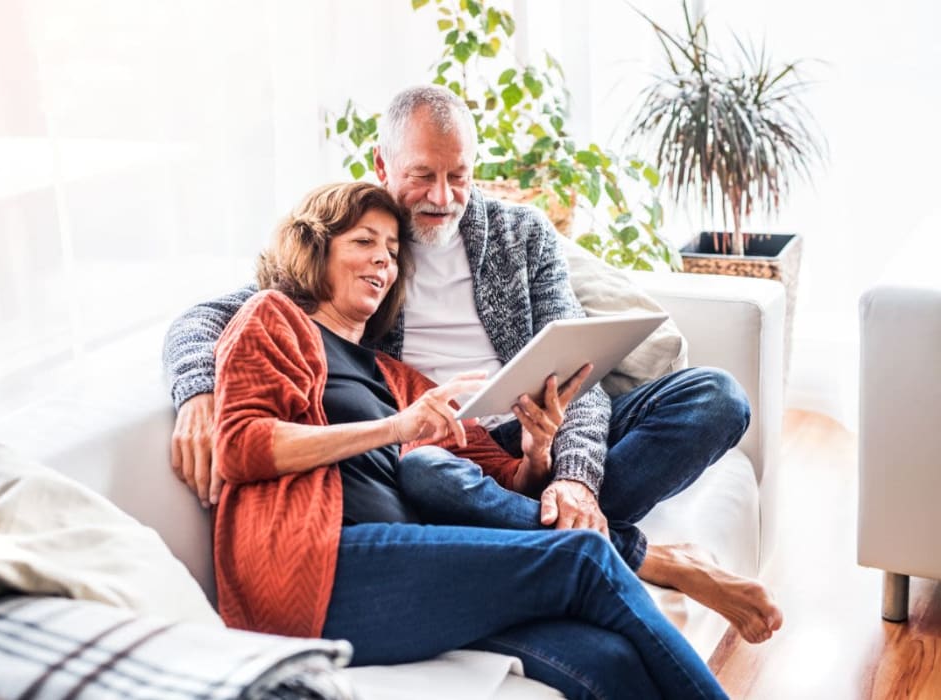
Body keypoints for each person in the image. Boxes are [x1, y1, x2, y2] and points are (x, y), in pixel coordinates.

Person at [163, 84, 782, 645]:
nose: (442, 196)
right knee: (430, 475)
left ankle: (556, 528)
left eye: (458, 175)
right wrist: (197, 393)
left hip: (538, 424)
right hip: (446, 447)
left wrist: (572, 474)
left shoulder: (521, 234)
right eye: (423, 175)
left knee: (716, 398)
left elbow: (581, 374)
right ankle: (637, 555)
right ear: (382, 166)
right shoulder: (358, 243)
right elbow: (209, 317)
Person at [213, 179, 728, 699]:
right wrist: (395, 428)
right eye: (363, 242)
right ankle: (637, 556)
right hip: (321, 568)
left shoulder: (397, 377)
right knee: (585, 559)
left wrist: (535, 452)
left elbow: (503, 479)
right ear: (315, 245)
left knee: (607, 660)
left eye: (392, 252)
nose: (382, 263)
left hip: (416, 566)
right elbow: (240, 446)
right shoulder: (273, 319)